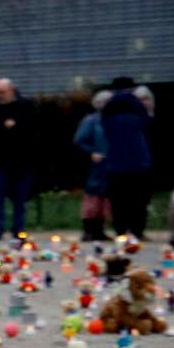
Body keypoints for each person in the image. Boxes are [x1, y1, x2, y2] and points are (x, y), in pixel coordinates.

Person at [0, 78, 36, 239]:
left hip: (22, 161)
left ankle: (18, 229)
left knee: (20, 198)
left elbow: (33, 130)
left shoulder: (25, 107)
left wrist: (17, 126)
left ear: (11, 90)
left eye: (2, 92)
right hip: (0, 161)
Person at [101, 77, 152, 239]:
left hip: (116, 161)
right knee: (138, 199)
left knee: (118, 200)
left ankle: (120, 231)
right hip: (138, 160)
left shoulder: (110, 106)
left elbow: (105, 129)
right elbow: (146, 126)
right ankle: (138, 230)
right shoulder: (137, 106)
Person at [73, 90, 113, 241]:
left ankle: (100, 230)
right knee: (93, 196)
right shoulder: (91, 120)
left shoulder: (112, 120)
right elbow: (79, 140)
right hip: (95, 165)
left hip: (110, 163)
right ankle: (88, 229)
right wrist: (91, 153)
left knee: (105, 197)